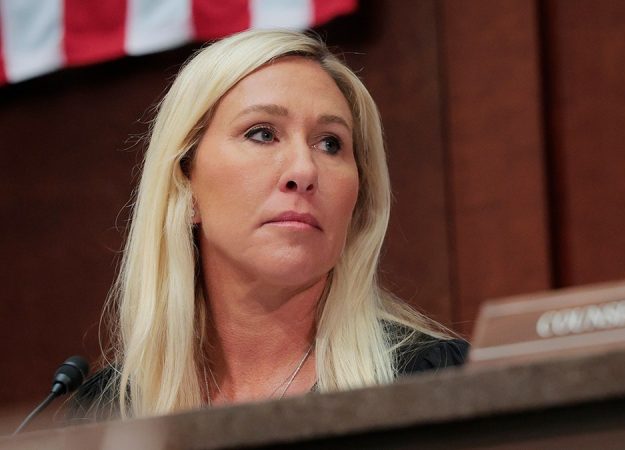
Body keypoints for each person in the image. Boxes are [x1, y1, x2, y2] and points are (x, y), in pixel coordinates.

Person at [71, 29, 467, 421]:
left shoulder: (442, 382)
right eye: (262, 134)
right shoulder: (104, 415)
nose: (304, 171)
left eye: (330, 143)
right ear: (185, 185)